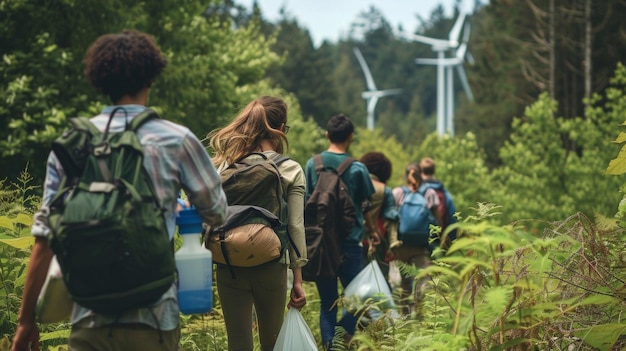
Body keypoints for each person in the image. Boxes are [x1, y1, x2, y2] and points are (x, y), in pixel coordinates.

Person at [11, 30, 228, 351]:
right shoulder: (176, 138)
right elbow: (216, 211)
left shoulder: (73, 143)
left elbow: (44, 239)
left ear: (100, 81)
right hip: (154, 317)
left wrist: (26, 320)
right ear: (150, 78)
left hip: (89, 316)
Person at [207, 96, 308, 351]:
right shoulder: (290, 169)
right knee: (272, 342)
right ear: (281, 128)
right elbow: (295, 226)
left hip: (228, 261)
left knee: (238, 343)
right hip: (271, 264)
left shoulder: (222, 165)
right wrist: (297, 278)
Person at [305, 114, 377, 349]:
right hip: (350, 244)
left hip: (321, 244)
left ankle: (329, 345)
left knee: (327, 303)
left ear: (327, 135)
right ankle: (341, 334)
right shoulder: (357, 168)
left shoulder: (312, 165)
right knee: (356, 300)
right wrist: (372, 231)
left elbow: (306, 202)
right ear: (351, 137)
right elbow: (366, 205)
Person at [392, 163, 442, 317]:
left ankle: (405, 315)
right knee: (424, 279)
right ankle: (420, 314)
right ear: (420, 174)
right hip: (422, 245)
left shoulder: (398, 192)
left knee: (405, 282)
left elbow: (392, 218)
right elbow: (437, 218)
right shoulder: (429, 193)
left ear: (405, 175)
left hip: (402, 245)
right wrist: (439, 238)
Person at [359, 152, 400, 281]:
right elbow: (391, 217)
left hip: (355, 237)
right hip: (378, 240)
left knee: (358, 278)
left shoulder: (355, 185)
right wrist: (393, 242)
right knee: (380, 278)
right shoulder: (385, 190)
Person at [419, 157, 458, 245]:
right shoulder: (444, 193)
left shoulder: (417, 191)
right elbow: (453, 218)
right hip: (440, 238)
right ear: (433, 171)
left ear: (420, 171)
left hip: (419, 239)